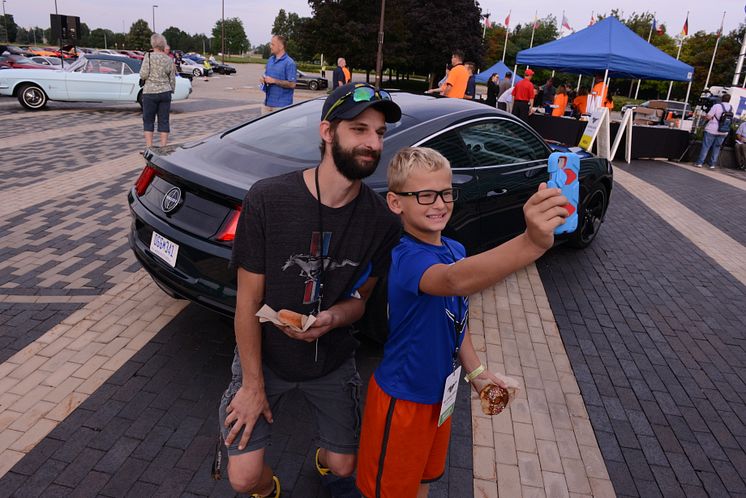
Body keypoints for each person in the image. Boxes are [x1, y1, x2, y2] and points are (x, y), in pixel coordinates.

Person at [219, 82, 402, 498]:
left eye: (379, 133)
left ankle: (327, 460)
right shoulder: (268, 199)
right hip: (265, 358)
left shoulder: (381, 222)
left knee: (343, 466)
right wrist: (251, 385)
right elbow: (247, 301)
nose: (372, 143)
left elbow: (361, 300)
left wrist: (333, 317)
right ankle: (270, 490)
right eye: (359, 129)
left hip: (331, 361)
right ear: (327, 132)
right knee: (244, 478)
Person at [356, 147, 569, 498]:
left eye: (445, 192)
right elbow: (454, 282)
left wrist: (477, 373)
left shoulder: (455, 248)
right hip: (402, 400)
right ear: (396, 203)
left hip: (442, 397)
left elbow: (457, 318)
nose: (439, 203)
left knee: (424, 479)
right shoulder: (405, 257)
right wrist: (531, 243)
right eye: (424, 195)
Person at [139, 33, 176, 148]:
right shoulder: (168, 59)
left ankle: (149, 147)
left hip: (150, 92)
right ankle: (163, 147)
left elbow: (143, 75)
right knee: (164, 120)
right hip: (165, 92)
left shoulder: (148, 57)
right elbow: (172, 78)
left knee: (148, 120)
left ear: (153, 44)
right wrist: (171, 90)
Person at [261, 35, 297, 114]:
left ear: (281, 46)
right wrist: (263, 79)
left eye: (273, 44)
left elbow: (292, 84)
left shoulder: (289, 63)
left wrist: (274, 81)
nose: (270, 46)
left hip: (281, 107)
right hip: (267, 105)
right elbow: (266, 76)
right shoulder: (270, 60)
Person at [696, 93, 733, 169]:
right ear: (729, 100)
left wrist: (704, 118)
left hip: (712, 129)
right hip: (723, 131)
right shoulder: (731, 108)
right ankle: (712, 164)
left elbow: (709, 116)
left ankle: (700, 163)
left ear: (722, 99)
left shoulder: (716, 106)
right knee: (717, 148)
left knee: (706, 146)